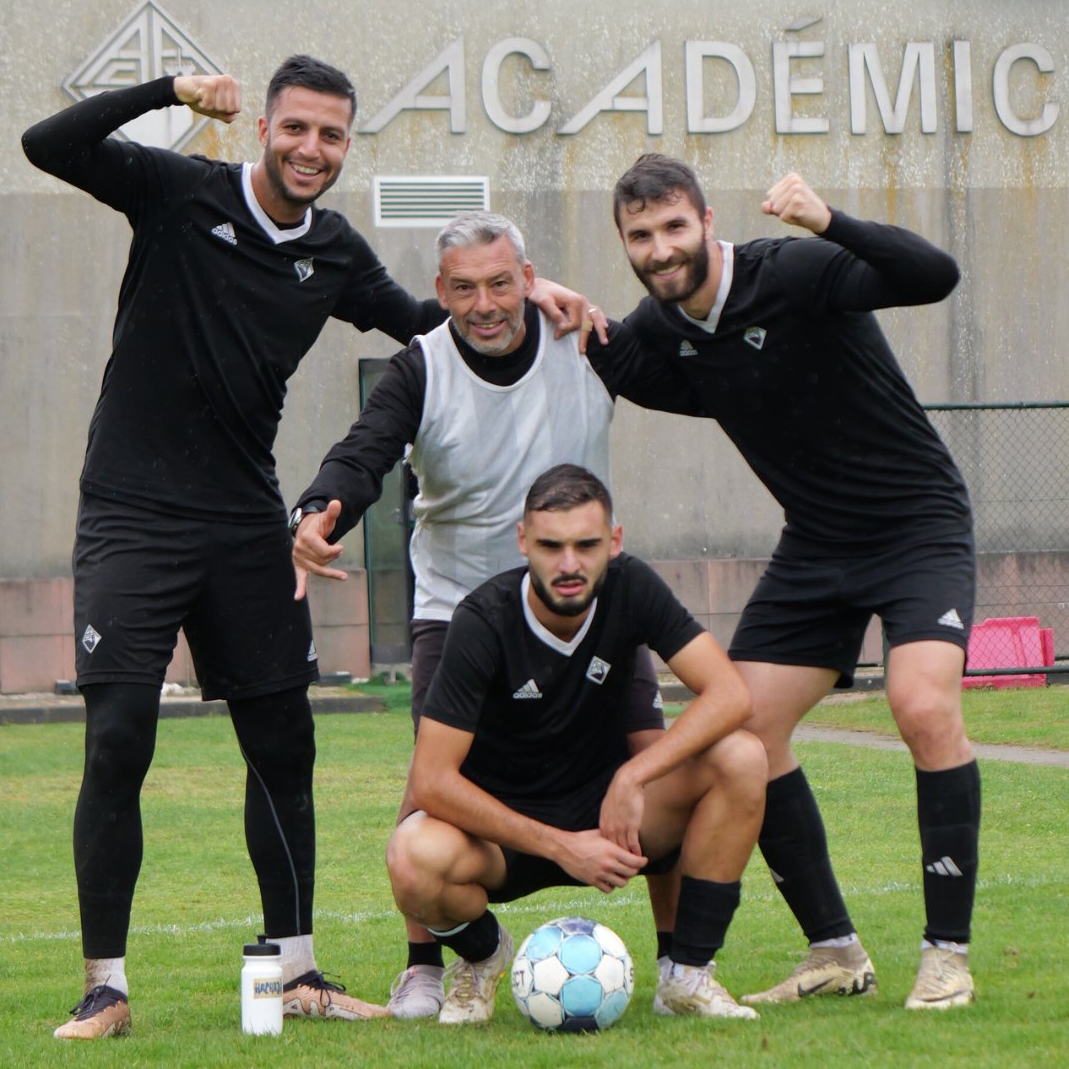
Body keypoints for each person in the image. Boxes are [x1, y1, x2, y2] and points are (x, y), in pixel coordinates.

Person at [20, 55, 594, 1041]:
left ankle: (296, 974)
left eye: (331, 134)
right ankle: (105, 988)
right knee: (119, 739)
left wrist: (527, 300)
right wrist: (167, 92)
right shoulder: (177, 189)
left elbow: (432, 329)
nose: (311, 149)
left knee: (285, 743)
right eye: (295, 128)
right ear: (264, 129)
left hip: (248, 521)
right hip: (132, 511)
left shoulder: (332, 251)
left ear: (345, 144)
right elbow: (47, 144)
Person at [291, 210, 698, 1018]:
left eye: (502, 284)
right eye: (466, 288)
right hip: (461, 615)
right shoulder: (420, 367)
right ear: (441, 291)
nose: (485, 305)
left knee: (660, 774)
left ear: (529, 279)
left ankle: (681, 969)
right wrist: (317, 509)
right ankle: (429, 965)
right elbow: (365, 450)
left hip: (588, 607)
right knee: (431, 795)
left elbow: (693, 370)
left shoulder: (585, 340)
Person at [610, 153, 980, 1010]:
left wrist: (829, 220)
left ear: (707, 222)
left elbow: (934, 275)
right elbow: (625, 369)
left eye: (674, 226)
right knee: (743, 732)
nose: (660, 249)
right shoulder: (660, 328)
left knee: (922, 706)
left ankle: (947, 956)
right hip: (816, 544)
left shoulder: (796, 270)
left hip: (915, 524)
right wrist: (572, 318)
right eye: (640, 235)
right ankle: (836, 952)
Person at [385, 464, 767, 1024]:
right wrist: (562, 846)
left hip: (613, 816)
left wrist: (633, 776)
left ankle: (686, 974)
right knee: (411, 856)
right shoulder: (483, 620)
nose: (569, 565)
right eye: (551, 546)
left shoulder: (632, 586)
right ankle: (485, 956)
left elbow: (731, 694)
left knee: (742, 756)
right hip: (502, 837)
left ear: (614, 541)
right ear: (523, 541)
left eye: (586, 545)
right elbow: (430, 780)